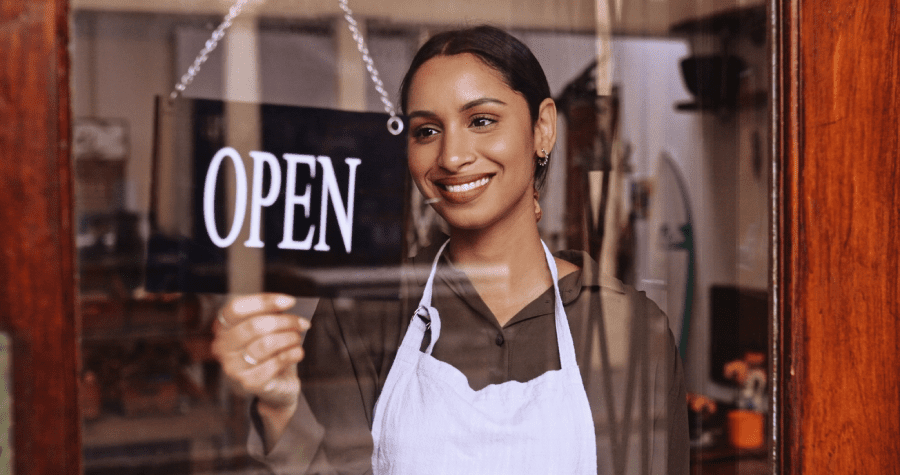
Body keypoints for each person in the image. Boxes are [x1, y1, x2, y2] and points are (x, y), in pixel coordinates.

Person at [212, 25, 688, 475]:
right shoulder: (361, 313)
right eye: (426, 131)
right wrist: (280, 406)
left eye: (481, 120)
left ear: (542, 128)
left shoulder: (631, 330)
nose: (452, 157)